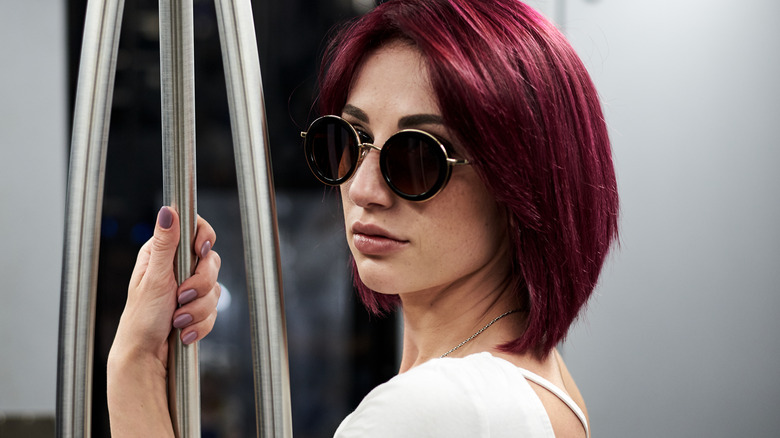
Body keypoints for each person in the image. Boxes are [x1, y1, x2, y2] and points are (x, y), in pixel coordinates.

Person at [108, 0, 618, 436]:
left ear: (517, 185)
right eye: (349, 142)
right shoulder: (541, 384)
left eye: (419, 157)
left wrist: (134, 368)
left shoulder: (431, 409)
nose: (363, 189)